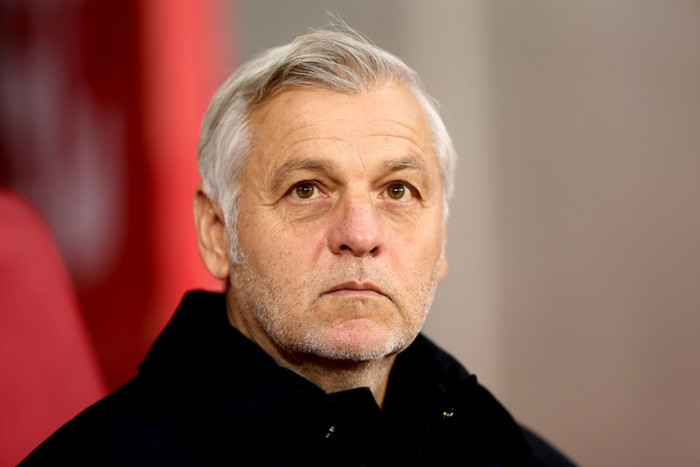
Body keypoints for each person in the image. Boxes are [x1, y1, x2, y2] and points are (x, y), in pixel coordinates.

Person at [21, 23, 574, 466]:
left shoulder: (520, 456)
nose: (360, 234)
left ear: (443, 239)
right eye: (306, 189)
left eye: (397, 190)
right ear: (217, 232)